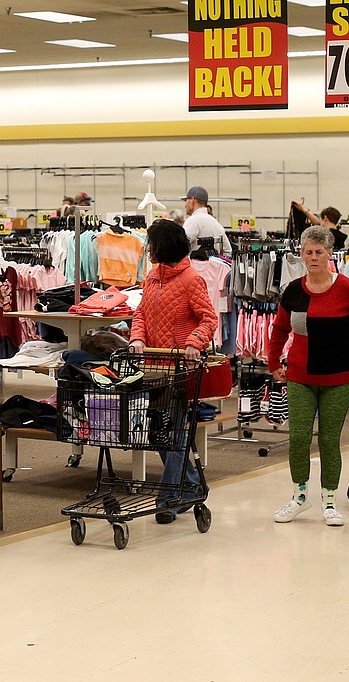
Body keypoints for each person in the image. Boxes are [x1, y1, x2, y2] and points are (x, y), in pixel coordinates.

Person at [266, 225, 349, 527]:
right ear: (302, 255)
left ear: (330, 255)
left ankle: (329, 501)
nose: (314, 257)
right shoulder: (293, 290)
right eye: (309, 252)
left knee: (330, 440)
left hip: (339, 378)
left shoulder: (347, 289)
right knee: (299, 438)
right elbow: (279, 329)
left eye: (319, 252)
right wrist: (273, 361)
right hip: (300, 377)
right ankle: (299, 496)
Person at [128, 219, 218, 524]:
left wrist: (195, 341)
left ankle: (167, 497)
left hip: (180, 369)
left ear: (163, 244)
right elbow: (140, 313)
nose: (148, 248)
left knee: (175, 433)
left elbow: (208, 318)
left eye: (151, 242)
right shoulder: (153, 276)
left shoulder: (192, 279)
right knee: (158, 433)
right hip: (153, 367)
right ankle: (191, 485)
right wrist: (137, 337)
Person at [181, 186, 231, 256]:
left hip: (195, 266)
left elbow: (180, 247)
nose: (185, 205)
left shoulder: (193, 221)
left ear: (192, 200)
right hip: (216, 265)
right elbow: (228, 251)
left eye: (186, 201)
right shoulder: (216, 223)